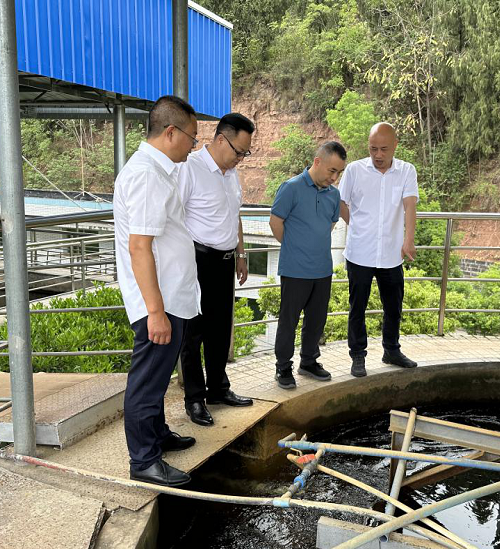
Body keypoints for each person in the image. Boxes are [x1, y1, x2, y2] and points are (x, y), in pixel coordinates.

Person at [113, 95, 200, 487]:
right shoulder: (147, 174)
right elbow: (139, 247)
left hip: (170, 296)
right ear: (171, 132)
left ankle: (158, 435)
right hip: (158, 300)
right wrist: (155, 311)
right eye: (192, 138)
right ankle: (144, 460)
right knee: (147, 381)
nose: (193, 146)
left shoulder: (158, 171)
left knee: (159, 376)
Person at [177, 113, 255, 427]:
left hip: (225, 261)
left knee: (221, 329)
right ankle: (195, 398)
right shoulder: (190, 168)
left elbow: (234, 216)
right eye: (239, 151)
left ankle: (219, 389)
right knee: (192, 332)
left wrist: (240, 253)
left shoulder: (231, 174)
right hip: (196, 261)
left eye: (246, 153)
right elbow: (174, 217)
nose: (241, 158)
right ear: (221, 139)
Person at [338, 122, 419, 378]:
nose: (378, 155)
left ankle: (391, 350)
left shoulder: (407, 171)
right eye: (373, 149)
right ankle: (357, 355)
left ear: (395, 145)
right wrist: (357, 225)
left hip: (391, 253)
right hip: (359, 252)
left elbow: (410, 206)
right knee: (357, 307)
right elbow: (341, 202)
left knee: (393, 306)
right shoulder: (354, 170)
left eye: (384, 149)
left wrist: (409, 239)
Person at [270, 142, 347, 389]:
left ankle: (309, 361)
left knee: (316, 320)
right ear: (317, 162)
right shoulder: (291, 188)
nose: (334, 178)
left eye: (338, 173)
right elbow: (275, 223)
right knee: (289, 321)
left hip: (322, 269)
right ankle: (283, 367)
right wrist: (295, 247)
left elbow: (330, 225)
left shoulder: (333, 195)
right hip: (294, 269)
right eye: (332, 171)